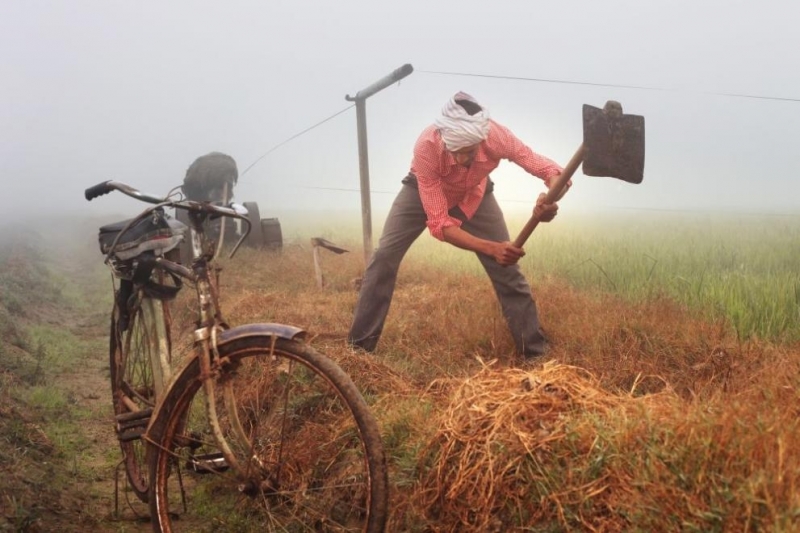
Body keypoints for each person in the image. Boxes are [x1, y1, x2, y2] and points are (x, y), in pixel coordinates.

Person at [347, 91, 568, 360]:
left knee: (507, 268)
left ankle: (536, 353)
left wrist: (551, 198)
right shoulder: (427, 147)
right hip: (423, 193)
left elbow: (550, 171)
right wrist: (492, 248)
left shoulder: (496, 135)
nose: (463, 160)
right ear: (445, 140)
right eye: (456, 153)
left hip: (475, 194)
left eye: (470, 152)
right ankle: (358, 352)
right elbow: (440, 225)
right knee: (384, 257)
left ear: (481, 140)